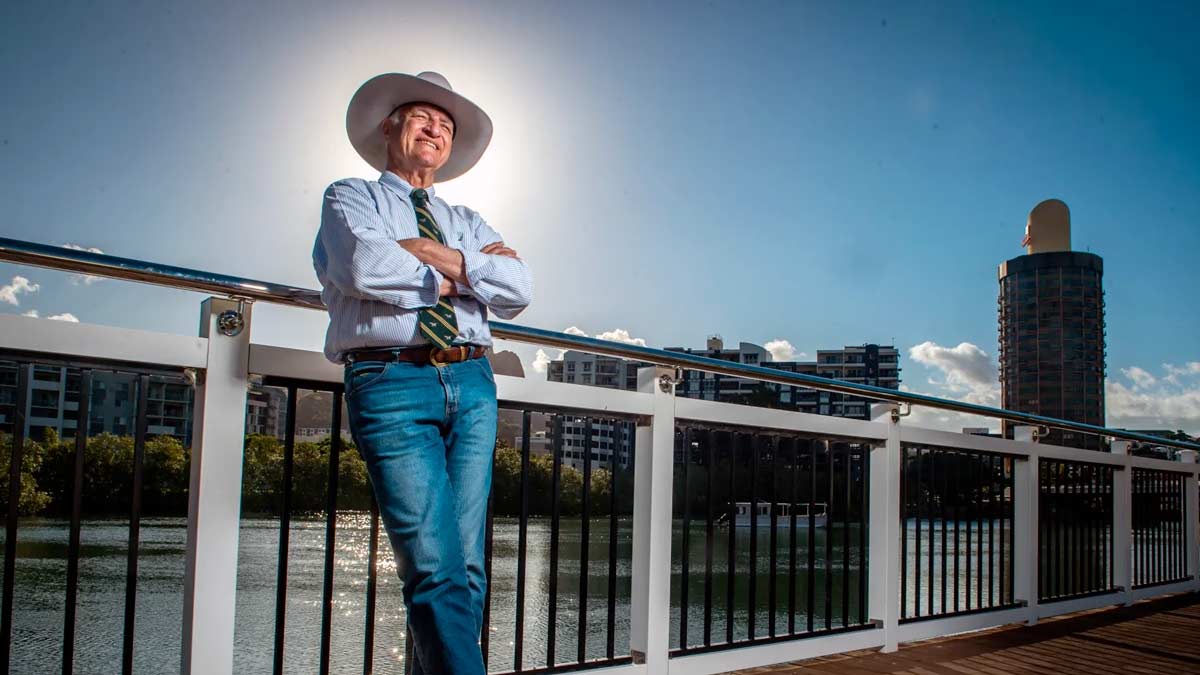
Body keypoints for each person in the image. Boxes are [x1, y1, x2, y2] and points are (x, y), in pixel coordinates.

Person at [313, 71, 533, 674]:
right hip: (391, 383)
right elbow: (362, 266)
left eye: (446, 124)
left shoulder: (466, 217)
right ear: (389, 127)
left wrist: (422, 252)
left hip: (474, 383)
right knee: (434, 567)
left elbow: (519, 289)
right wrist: (467, 274)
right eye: (423, 117)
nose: (436, 129)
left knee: (465, 569)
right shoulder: (349, 198)